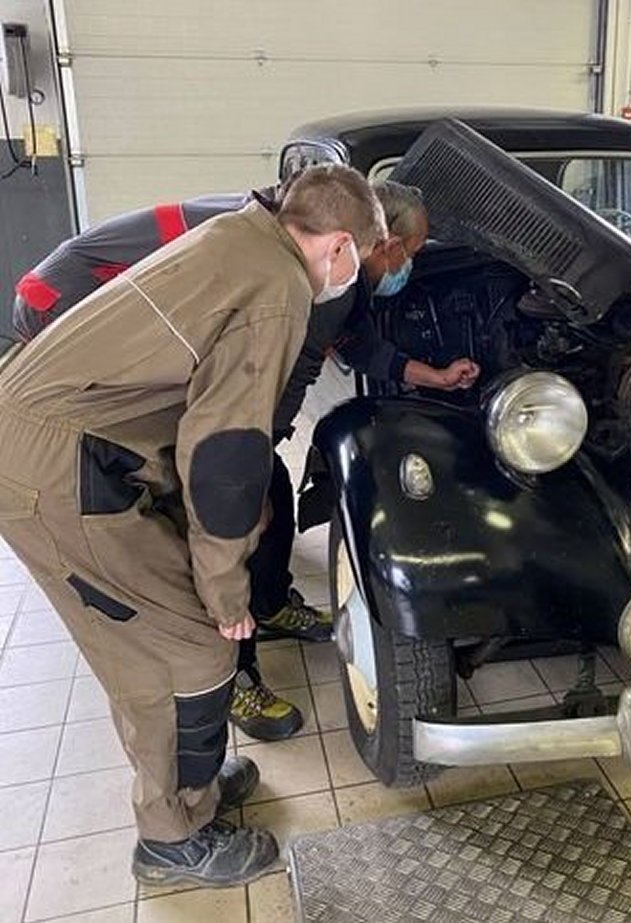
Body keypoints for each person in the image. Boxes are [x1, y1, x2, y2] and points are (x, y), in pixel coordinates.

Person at [0, 165, 385, 887]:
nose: (355, 274)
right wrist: (226, 586)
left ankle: (192, 788)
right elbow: (225, 455)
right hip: (57, 470)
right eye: (360, 256)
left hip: (67, 443)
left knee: (182, 645)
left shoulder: (246, 235)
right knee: (182, 653)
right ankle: (171, 837)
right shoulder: (278, 293)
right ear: (336, 247)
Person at [9, 179, 481, 742]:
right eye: (414, 250)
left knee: (268, 495)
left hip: (146, 381)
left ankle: (270, 602)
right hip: (66, 335)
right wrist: (248, 465)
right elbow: (241, 414)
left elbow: (355, 349)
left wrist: (437, 376)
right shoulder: (278, 280)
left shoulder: (333, 276)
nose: (415, 263)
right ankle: (236, 675)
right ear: (379, 243)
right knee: (217, 518)